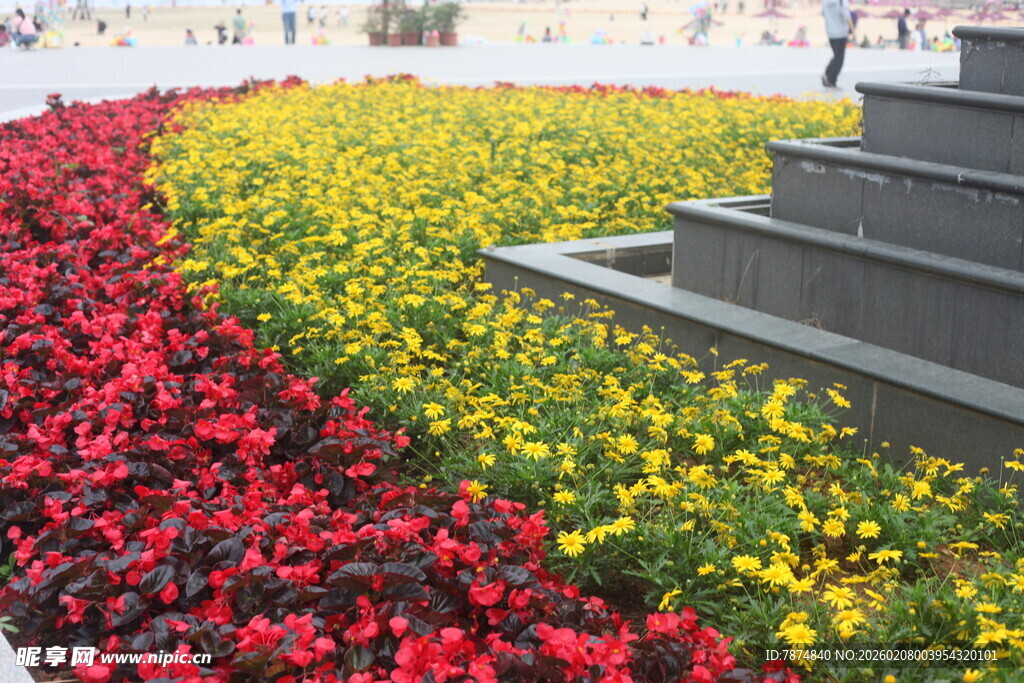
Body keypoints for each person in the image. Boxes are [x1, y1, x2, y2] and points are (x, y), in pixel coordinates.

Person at [821, 0, 854, 89]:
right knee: (839, 59)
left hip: (830, 32)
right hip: (841, 33)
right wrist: (853, 32)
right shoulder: (842, 1)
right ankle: (830, 79)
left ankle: (829, 76)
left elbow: (823, 13)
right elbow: (847, 16)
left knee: (836, 56)